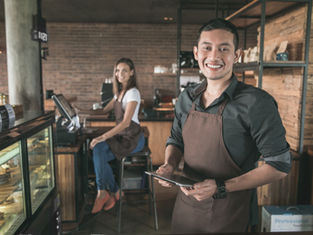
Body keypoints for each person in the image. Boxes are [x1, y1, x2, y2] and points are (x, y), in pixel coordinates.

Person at [156, 18, 292, 233]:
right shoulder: (186, 98)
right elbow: (176, 139)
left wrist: (220, 187)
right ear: (196, 53)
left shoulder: (257, 103)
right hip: (186, 209)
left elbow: (279, 165)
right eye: (207, 48)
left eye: (223, 49)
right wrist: (169, 165)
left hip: (230, 213)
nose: (214, 56)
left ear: (236, 55)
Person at [89, 58, 145, 214]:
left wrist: (103, 136)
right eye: (118, 70)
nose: (120, 74)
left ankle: (108, 192)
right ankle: (108, 191)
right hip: (122, 137)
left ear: (132, 73)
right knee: (98, 150)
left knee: (99, 147)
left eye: (124, 70)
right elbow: (103, 111)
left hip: (133, 139)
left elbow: (126, 122)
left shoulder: (133, 92)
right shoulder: (119, 93)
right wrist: (78, 110)